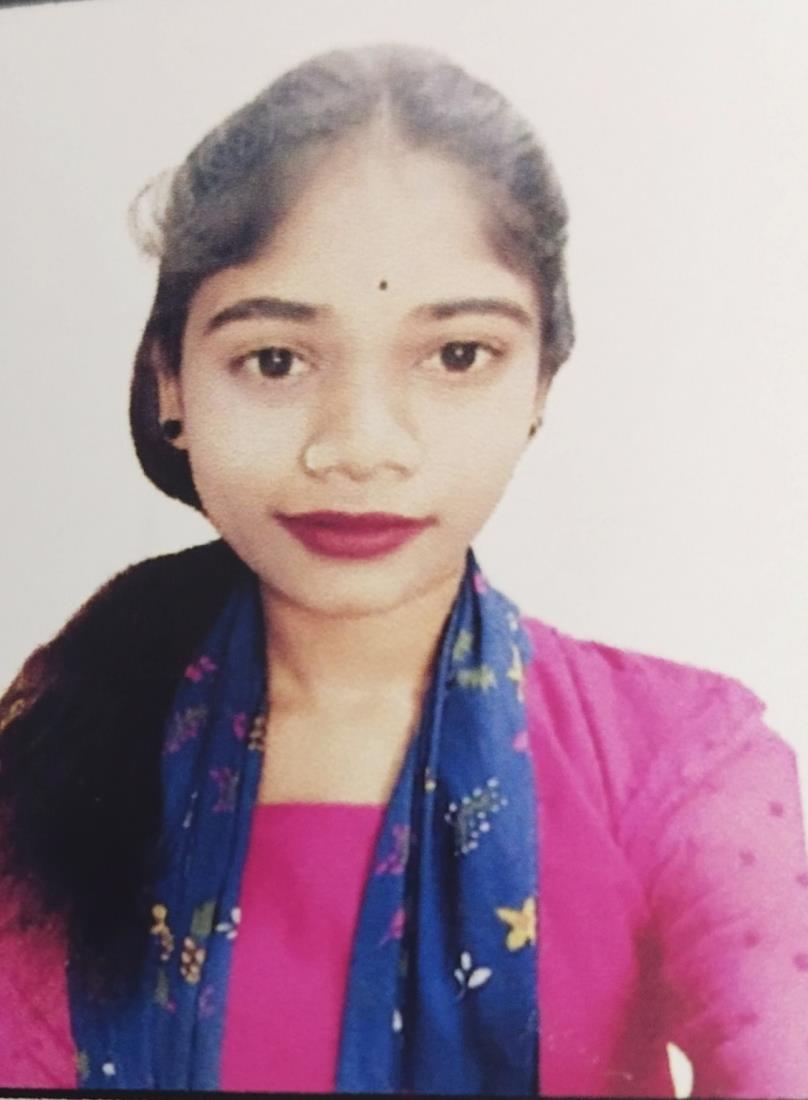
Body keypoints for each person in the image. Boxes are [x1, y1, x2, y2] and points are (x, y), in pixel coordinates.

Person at [0, 42, 806, 1098]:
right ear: (173, 384)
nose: (360, 446)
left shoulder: (680, 765)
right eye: (275, 360)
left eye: (456, 355)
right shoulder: (64, 749)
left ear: (539, 382)